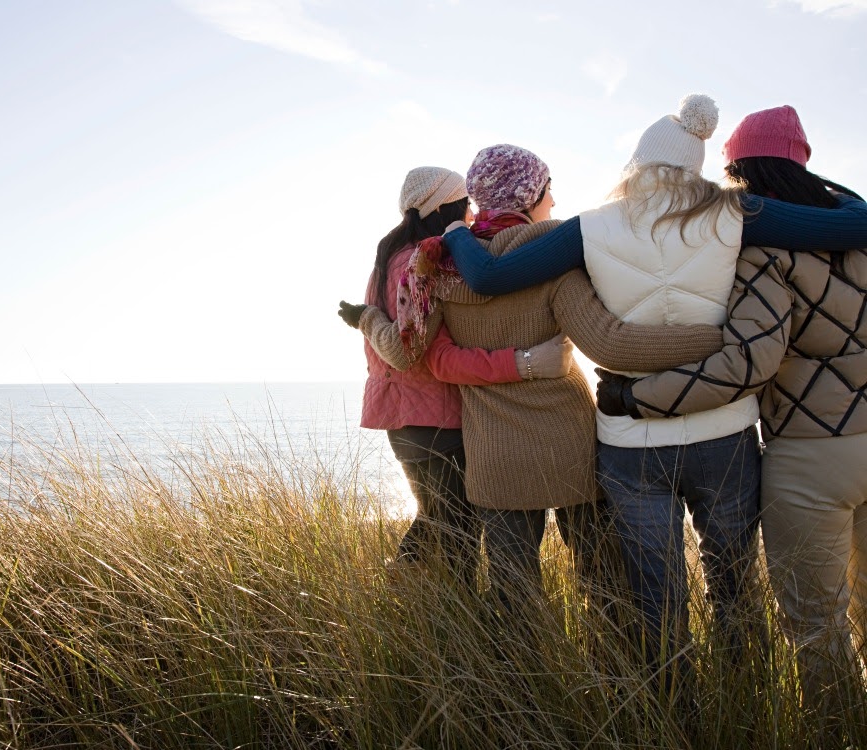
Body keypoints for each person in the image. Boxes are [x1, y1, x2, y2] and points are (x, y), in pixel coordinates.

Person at [437, 94, 856, 707]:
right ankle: (743, 708)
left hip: (631, 440)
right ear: (696, 165)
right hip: (726, 431)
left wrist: (453, 231)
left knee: (655, 596)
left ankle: (675, 716)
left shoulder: (591, 227)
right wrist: (823, 184)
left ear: (635, 164)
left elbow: (489, 278)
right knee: (734, 587)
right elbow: (850, 223)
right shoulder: (738, 213)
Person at [348, 145, 726, 617]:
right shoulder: (552, 260)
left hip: (494, 453)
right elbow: (611, 344)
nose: (552, 201)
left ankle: (520, 688)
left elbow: (436, 361)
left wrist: (367, 319)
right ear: (529, 196)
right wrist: (715, 338)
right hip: (569, 445)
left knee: (512, 596)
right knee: (603, 582)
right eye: (548, 191)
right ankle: (612, 681)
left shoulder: (440, 267)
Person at [596, 105, 866, 724]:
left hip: (812, 458)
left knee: (819, 630)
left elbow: (748, 361)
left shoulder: (762, 248)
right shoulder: (859, 228)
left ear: (740, 174)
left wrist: (636, 398)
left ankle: (839, 735)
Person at [345, 166, 557, 589]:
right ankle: (449, 630)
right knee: (457, 540)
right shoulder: (423, 261)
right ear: (444, 208)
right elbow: (407, 349)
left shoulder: (385, 261)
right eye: (465, 204)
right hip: (437, 419)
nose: (472, 213)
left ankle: (398, 597)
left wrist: (365, 318)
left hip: (401, 419)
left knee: (433, 522)